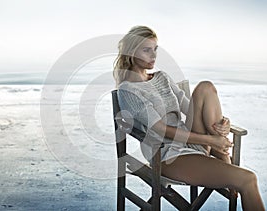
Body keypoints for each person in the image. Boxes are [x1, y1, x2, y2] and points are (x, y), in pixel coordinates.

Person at [113, 25, 265, 211]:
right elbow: (160, 129)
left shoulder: (162, 77)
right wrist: (210, 140)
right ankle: (221, 153)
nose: (153, 56)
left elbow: (190, 107)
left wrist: (224, 123)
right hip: (167, 154)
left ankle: (221, 152)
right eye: (146, 50)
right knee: (248, 179)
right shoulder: (129, 90)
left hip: (190, 140)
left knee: (205, 87)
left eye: (155, 50)